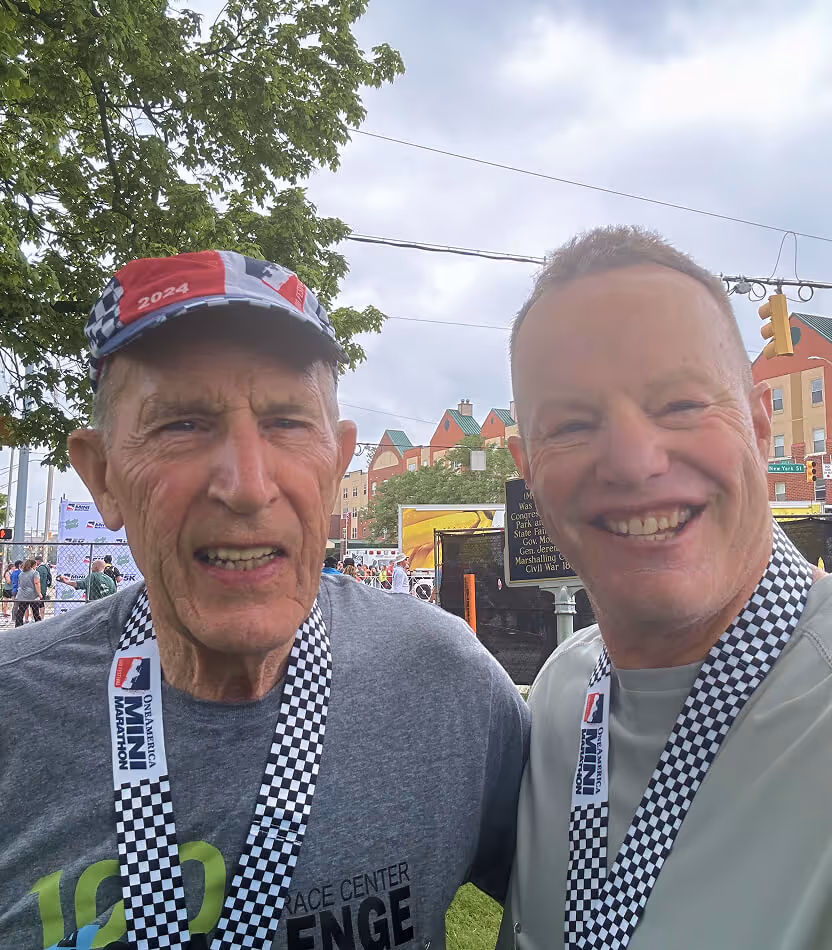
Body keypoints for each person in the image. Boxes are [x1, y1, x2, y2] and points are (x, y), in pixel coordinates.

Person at [0, 250, 529, 949]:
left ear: (337, 461)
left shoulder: (444, 680)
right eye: (181, 423)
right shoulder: (14, 711)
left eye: (286, 421)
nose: (247, 485)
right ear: (102, 477)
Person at [498, 225, 832, 950]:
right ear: (528, 469)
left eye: (680, 405)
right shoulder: (564, 689)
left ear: (757, 421)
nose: (633, 461)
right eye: (573, 424)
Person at [13, 558, 42, 626]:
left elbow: (19, 584)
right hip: (32, 595)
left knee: (21, 610)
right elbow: (36, 583)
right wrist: (39, 593)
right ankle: (38, 624)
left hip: (22, 595)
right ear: (33, 565)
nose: (36, 566)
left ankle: (18, 625)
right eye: (36, 565)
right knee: (35, 611)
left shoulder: (21, 574)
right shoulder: (35, 573)